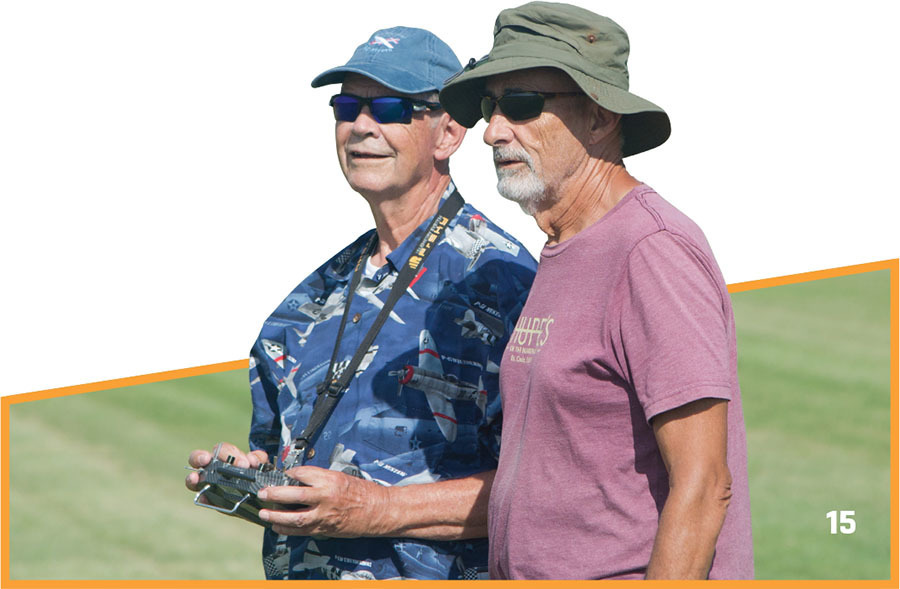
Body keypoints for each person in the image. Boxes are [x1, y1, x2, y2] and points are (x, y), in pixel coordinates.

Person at [184, 26, 536, 580]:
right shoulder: (306, 302)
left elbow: (549, 483)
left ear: (448, 133)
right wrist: (255, 477)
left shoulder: (505, 282)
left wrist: (377, 509)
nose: (362, 125)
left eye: (391, 108)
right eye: (347, 107)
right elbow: (282, 451)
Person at [439, 1, 753, 580]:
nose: (492, 131)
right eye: (489, 106)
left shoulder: (651, 250)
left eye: (522, 104)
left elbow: (705, 484)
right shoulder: (567, 244)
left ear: (600, 116)